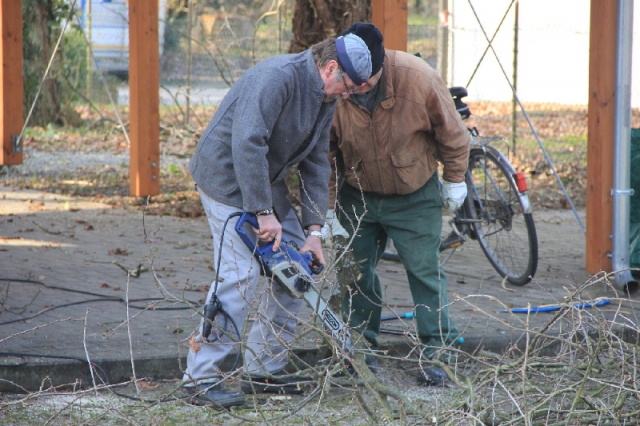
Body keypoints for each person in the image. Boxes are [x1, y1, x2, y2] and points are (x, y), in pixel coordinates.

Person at [184, 34, 372, 408]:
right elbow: (247, 142)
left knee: (296, 271)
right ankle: (201, 378)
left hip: (263, 182)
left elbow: (317, 162)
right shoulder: (278, 78)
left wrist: (314, 232)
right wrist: (262, 212)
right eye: (347, 86)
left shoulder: (326, 96)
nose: (347, 95)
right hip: (225, 178)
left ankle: (264, 367)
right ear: (331, 67)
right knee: (241, 276)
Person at [324, 22, 470, 386]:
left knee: (425, 273)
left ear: (379, 68)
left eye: (365, 83)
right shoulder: (329, 87)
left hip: (414, 193)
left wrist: (454, 181)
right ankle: (357, 350)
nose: (356, 90)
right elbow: (320, 156)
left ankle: (439, 354)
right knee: (354, 274)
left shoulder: (418, 78)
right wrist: (323, 210)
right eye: (351, 82)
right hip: (356, 193)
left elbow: (453, 135)